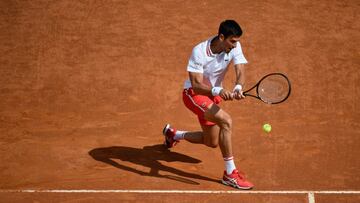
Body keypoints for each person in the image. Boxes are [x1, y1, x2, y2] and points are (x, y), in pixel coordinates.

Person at [162, 20, 254, 190]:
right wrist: (218, 91)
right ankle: (230, 174)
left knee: (211, 141)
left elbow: (240, 70)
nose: (235, 45)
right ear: (221, 37)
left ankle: (173, 135)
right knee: (226, 121)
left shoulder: (234, 46)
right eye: (232, 41)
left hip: (211, 96)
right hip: (194, 95)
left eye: (237, 41)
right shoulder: (199, 52)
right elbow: (196, 85)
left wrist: (238, 87)